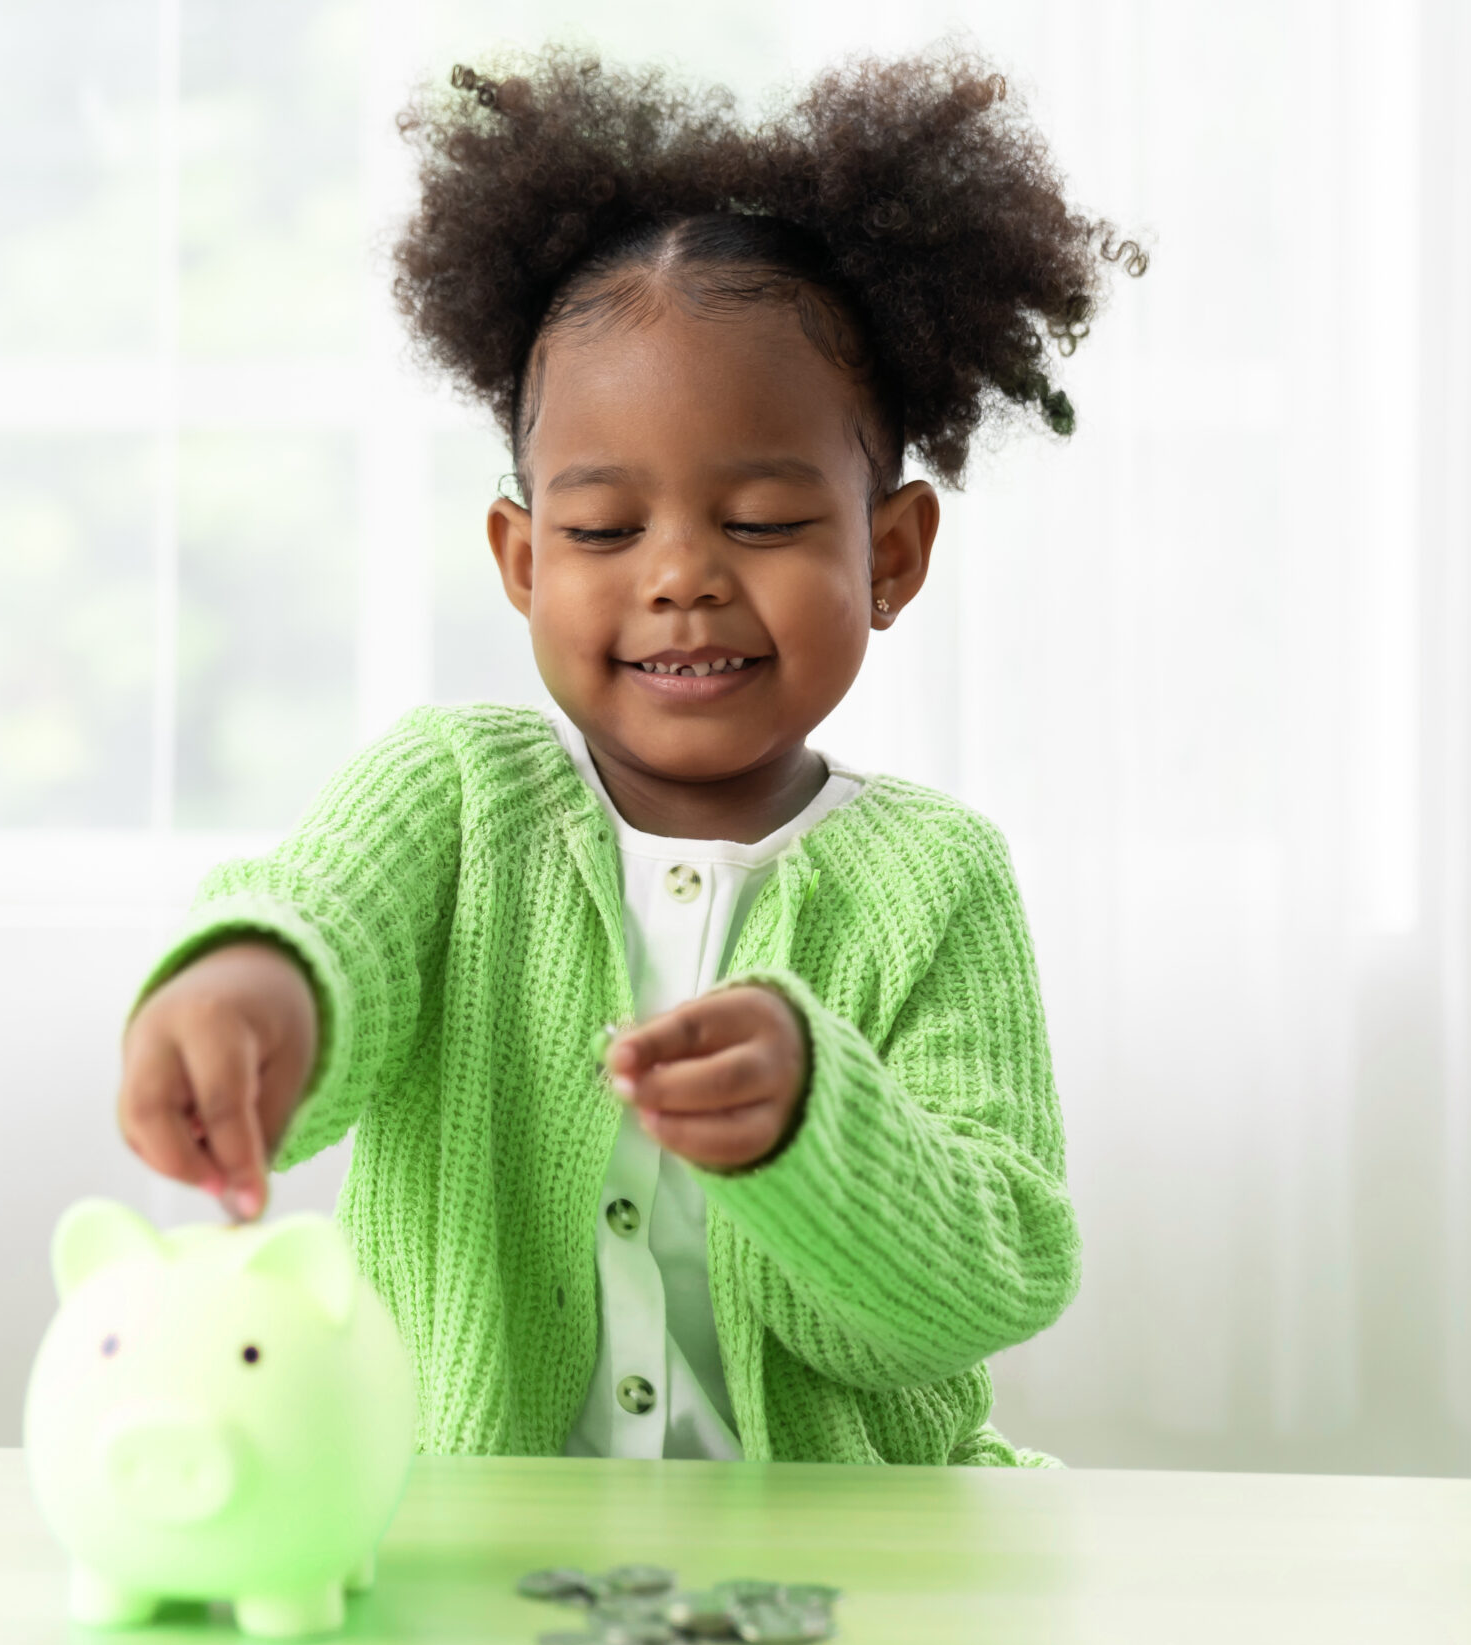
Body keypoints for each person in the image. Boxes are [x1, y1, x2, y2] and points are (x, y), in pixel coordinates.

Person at [114, 46, 1133, 1467]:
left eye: (765, 521)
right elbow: (325, 928)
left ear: (889, 555)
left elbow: (982, 1291)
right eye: (603, 531)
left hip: (857, 1561)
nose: (682, 579)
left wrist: (812, 1132)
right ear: (523, 561)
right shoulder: (453, 798)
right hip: (477, 1546)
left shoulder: (937, 879)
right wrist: (253, 988)